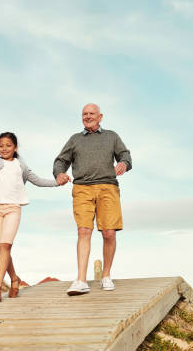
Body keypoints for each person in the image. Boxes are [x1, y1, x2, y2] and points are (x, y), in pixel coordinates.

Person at [0, 132, 66, 302]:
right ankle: (14, 279)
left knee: (5, 246)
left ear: (15, 147)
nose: (4, 149)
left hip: (13, 209)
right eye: (1, 145)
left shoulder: (21, 166)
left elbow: (38, 180)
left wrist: (57, 182)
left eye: (8, 145)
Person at [54, 104, 132, 296]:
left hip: (108, 187)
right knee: (83, 231)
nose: (88, 116)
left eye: (91, 114)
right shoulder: (75, 139)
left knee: (109, 233)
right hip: (82, 188)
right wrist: (59, 174)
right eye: (84, 114)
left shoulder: (111, 136)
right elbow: (60, 161)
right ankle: (81, 280)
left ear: (100, 116)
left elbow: (125, 154)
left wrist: (123, 163)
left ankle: (106, 275)